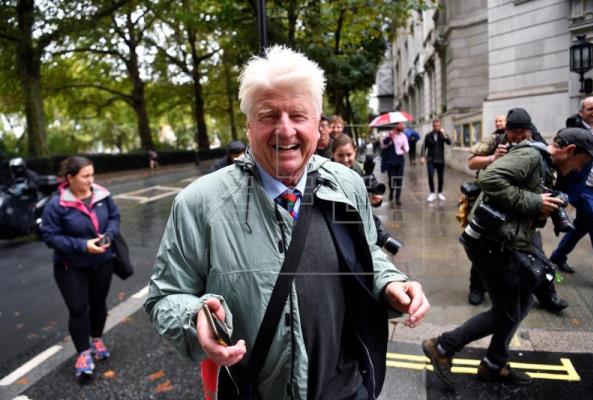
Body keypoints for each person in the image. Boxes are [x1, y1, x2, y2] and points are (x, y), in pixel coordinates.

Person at [144, 45, 429, 400]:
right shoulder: (199, 204)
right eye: (268, 115)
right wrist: (194, 319)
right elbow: (165, 296)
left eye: (298, 115)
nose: (285, 130)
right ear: (249, 126)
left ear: (317, 121)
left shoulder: (346, 184)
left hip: (347, 389)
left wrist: (389, 284)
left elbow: (365, 252)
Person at [423, 127, 593, 388]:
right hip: (490, 245)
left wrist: (541, 210)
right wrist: (533, 202)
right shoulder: (530, 156)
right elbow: (491, 179)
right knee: (507, 312)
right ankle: (442, 346)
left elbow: (520, 205)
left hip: (510, 243)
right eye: (581, 163)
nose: (577, 170)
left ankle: (494, 363)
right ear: (570, 151)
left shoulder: (547, 166)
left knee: (525, 301)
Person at [466, 109, 568, 312]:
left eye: (524, 131)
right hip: (493, 204)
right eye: (515, 132)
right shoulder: (495, 140)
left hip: (525, 211)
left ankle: (547, 294)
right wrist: (492, 158)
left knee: (537, 253)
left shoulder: (536, 144)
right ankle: (476, 288)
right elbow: (472, 162)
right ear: (507, 130)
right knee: (483, 246)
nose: (519, 136)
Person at [41, 156, 120, 378]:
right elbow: (49, 236)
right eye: (85, 176)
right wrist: (83, 245)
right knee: (78, 309)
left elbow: (114, 217)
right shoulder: (56, 204)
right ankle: (83, 353)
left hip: (102, 262)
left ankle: (96, 340)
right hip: (70, 267)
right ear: (70, 178)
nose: (91, 180)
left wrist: (109, 235)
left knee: (98, 305)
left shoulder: (102, 194)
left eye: (92, 174)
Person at [550, 96, 593, 273]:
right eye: (591, 109)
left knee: (581, 226)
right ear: (581, 112)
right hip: (585, 189)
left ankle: (557, 257)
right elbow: (561, 160)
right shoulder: (573, 132)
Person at [420, 119, 451, 202]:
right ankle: (432, 193)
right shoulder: (428, 135)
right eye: (435, 126)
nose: (436, 127)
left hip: (440, 160)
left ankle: (440, 192)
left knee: (440, 177)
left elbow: (449, 142)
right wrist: (422, 156)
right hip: (431, 160)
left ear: (440, 126)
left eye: (438, 126)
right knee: (430, 176)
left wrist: (444, 133)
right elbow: (424, 147)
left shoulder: (442, 135)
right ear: (433, 126)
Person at [381, 122, 410, 205]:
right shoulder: (388, 135)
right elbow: (383, 146)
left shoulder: (403, 136)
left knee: (399, 180)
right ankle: (391, 191)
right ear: (395, 126)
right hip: (390, 161)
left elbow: (407, 148)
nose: (402, 126)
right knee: (391, 180)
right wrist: (390, 138)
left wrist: (404, 149)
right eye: (400, 125)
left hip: (400, 160)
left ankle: (397, 198)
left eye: (403, 125)